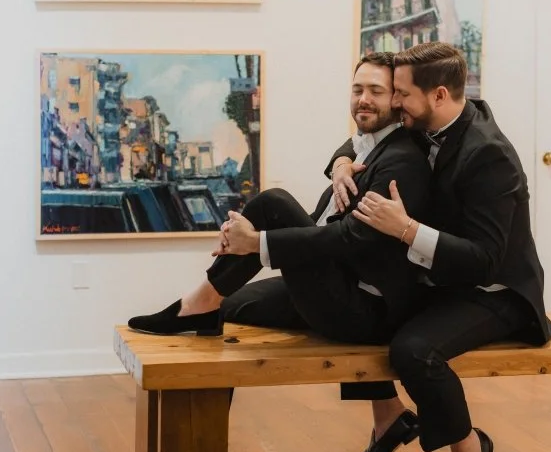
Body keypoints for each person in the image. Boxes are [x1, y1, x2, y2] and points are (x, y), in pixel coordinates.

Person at [214, 44, 551, 452]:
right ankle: (389, 418)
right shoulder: (428, 124)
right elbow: (369, 138)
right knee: (245, 306)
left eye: (400, 94)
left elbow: (485, 261)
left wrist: (406, 229)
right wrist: (341, 161)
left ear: (436, 95)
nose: (393, 102)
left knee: (413, 350)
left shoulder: (488, 156)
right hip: (433, 277)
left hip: (491, 290)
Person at [127, 48, 404, 332]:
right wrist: (341, 162)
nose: (364, 99)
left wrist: (256, 240)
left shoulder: (400, 158)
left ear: (397, 97)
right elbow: (330, 211)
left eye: (376, 91)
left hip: (358, 306)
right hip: (328, 277)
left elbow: (352, 238)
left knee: (274, 202)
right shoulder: (362, 147)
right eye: (357, 89)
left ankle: (194, 305)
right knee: (229, 305)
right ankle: (203, 306)